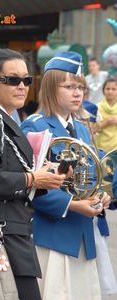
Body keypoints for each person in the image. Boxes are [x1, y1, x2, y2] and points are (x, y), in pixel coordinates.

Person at [0, 49, 68, 300]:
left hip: (9, 236)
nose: (22, 86)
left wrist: (45, 176)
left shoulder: (1, 119)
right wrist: (33, 179)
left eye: (27, 80)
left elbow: (8, 175)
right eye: (12, 80)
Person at [21, 51, 111, 300]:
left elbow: (95, 176)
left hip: (85, 236)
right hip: (53, 237)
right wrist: (73, 204)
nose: (77, 93)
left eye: (80, 86)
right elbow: (29, 184)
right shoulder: (34, 125)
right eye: (69, 86)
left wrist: (102, 195)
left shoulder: (83, 128)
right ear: (51, 88)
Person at [82, 100, 117, 296]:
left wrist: (108, 198)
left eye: (92, 131)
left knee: (95, 282)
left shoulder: (104, 157)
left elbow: (113, 194)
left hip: (96, 226)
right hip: (71, 223)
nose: (91, 135)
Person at [95, 76, 117, 153]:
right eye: (108, 89)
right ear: (103, 90)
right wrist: (107, 123)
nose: (110, 91)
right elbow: (94, 129)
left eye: (113, 89)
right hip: (102, 148)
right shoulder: (98, 107)